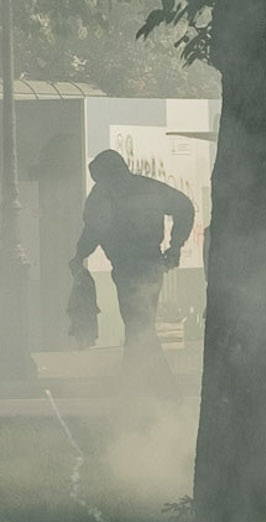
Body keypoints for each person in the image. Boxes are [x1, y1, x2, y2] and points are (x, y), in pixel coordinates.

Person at [70, 148, 196, 369]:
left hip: (127, 267)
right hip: (153, 265)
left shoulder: (103, 194)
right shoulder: (148, 187)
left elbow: (93, 229)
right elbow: (185, 207)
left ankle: (160, 389)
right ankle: (136, 384)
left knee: (138, 326)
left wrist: (79, 255)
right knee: (140, 325)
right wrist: (175, 247)